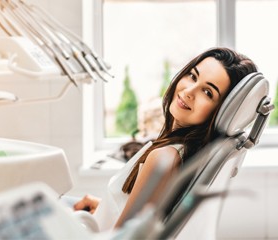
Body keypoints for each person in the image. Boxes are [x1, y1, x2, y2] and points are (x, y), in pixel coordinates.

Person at [73, 47, 258, 230]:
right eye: (193, 76)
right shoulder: (183, 152)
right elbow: (144, 218)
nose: (189, 91)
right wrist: (102, 208)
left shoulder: (165, 158)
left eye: (208, 92)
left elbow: (123, 237)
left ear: (220, 112)